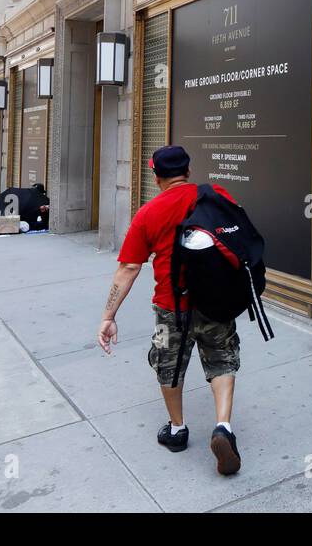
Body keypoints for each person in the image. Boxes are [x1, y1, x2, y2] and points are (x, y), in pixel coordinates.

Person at [96, 146, 245, 476]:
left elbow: (129, 268)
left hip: (170, 308)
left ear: (156, 175)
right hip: (217, 302)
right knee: (221, 358)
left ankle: (177, 429)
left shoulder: (149, 212)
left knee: (168, 364)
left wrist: (108, 316)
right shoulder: (216, 194)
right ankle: (223, 427)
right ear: (188, 171)